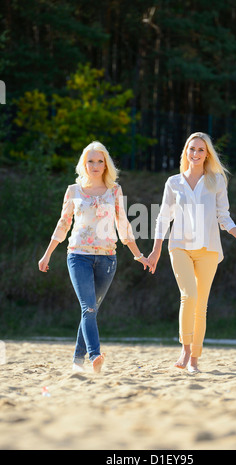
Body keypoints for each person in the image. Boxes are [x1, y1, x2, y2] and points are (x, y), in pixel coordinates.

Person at [38, 141, 149, 373]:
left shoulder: (115, 191)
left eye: (100, 161)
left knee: (90, 310)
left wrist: (138, 255)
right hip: (78, 256)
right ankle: (95, 355)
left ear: (106, 164)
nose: (95, 165)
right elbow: (63, 224)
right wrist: (47, 254)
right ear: (84, 164)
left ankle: (77, 361)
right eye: (91, 161)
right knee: (88, 307)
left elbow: (123, 225)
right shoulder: (73, 191)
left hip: (108, 259)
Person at [147, 132, 236, 374]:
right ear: (186, 151)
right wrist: (155, 250)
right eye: (191, 149)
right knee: (188, 296)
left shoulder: (216, 181)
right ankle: (185, 348)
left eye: (200, 150)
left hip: (209, 249)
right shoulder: (173, 183)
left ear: (207, 154)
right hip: (179, 246)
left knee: (201, 305)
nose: (195, 153)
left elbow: (222, 215)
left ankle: (194, 358)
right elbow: (163, 217)